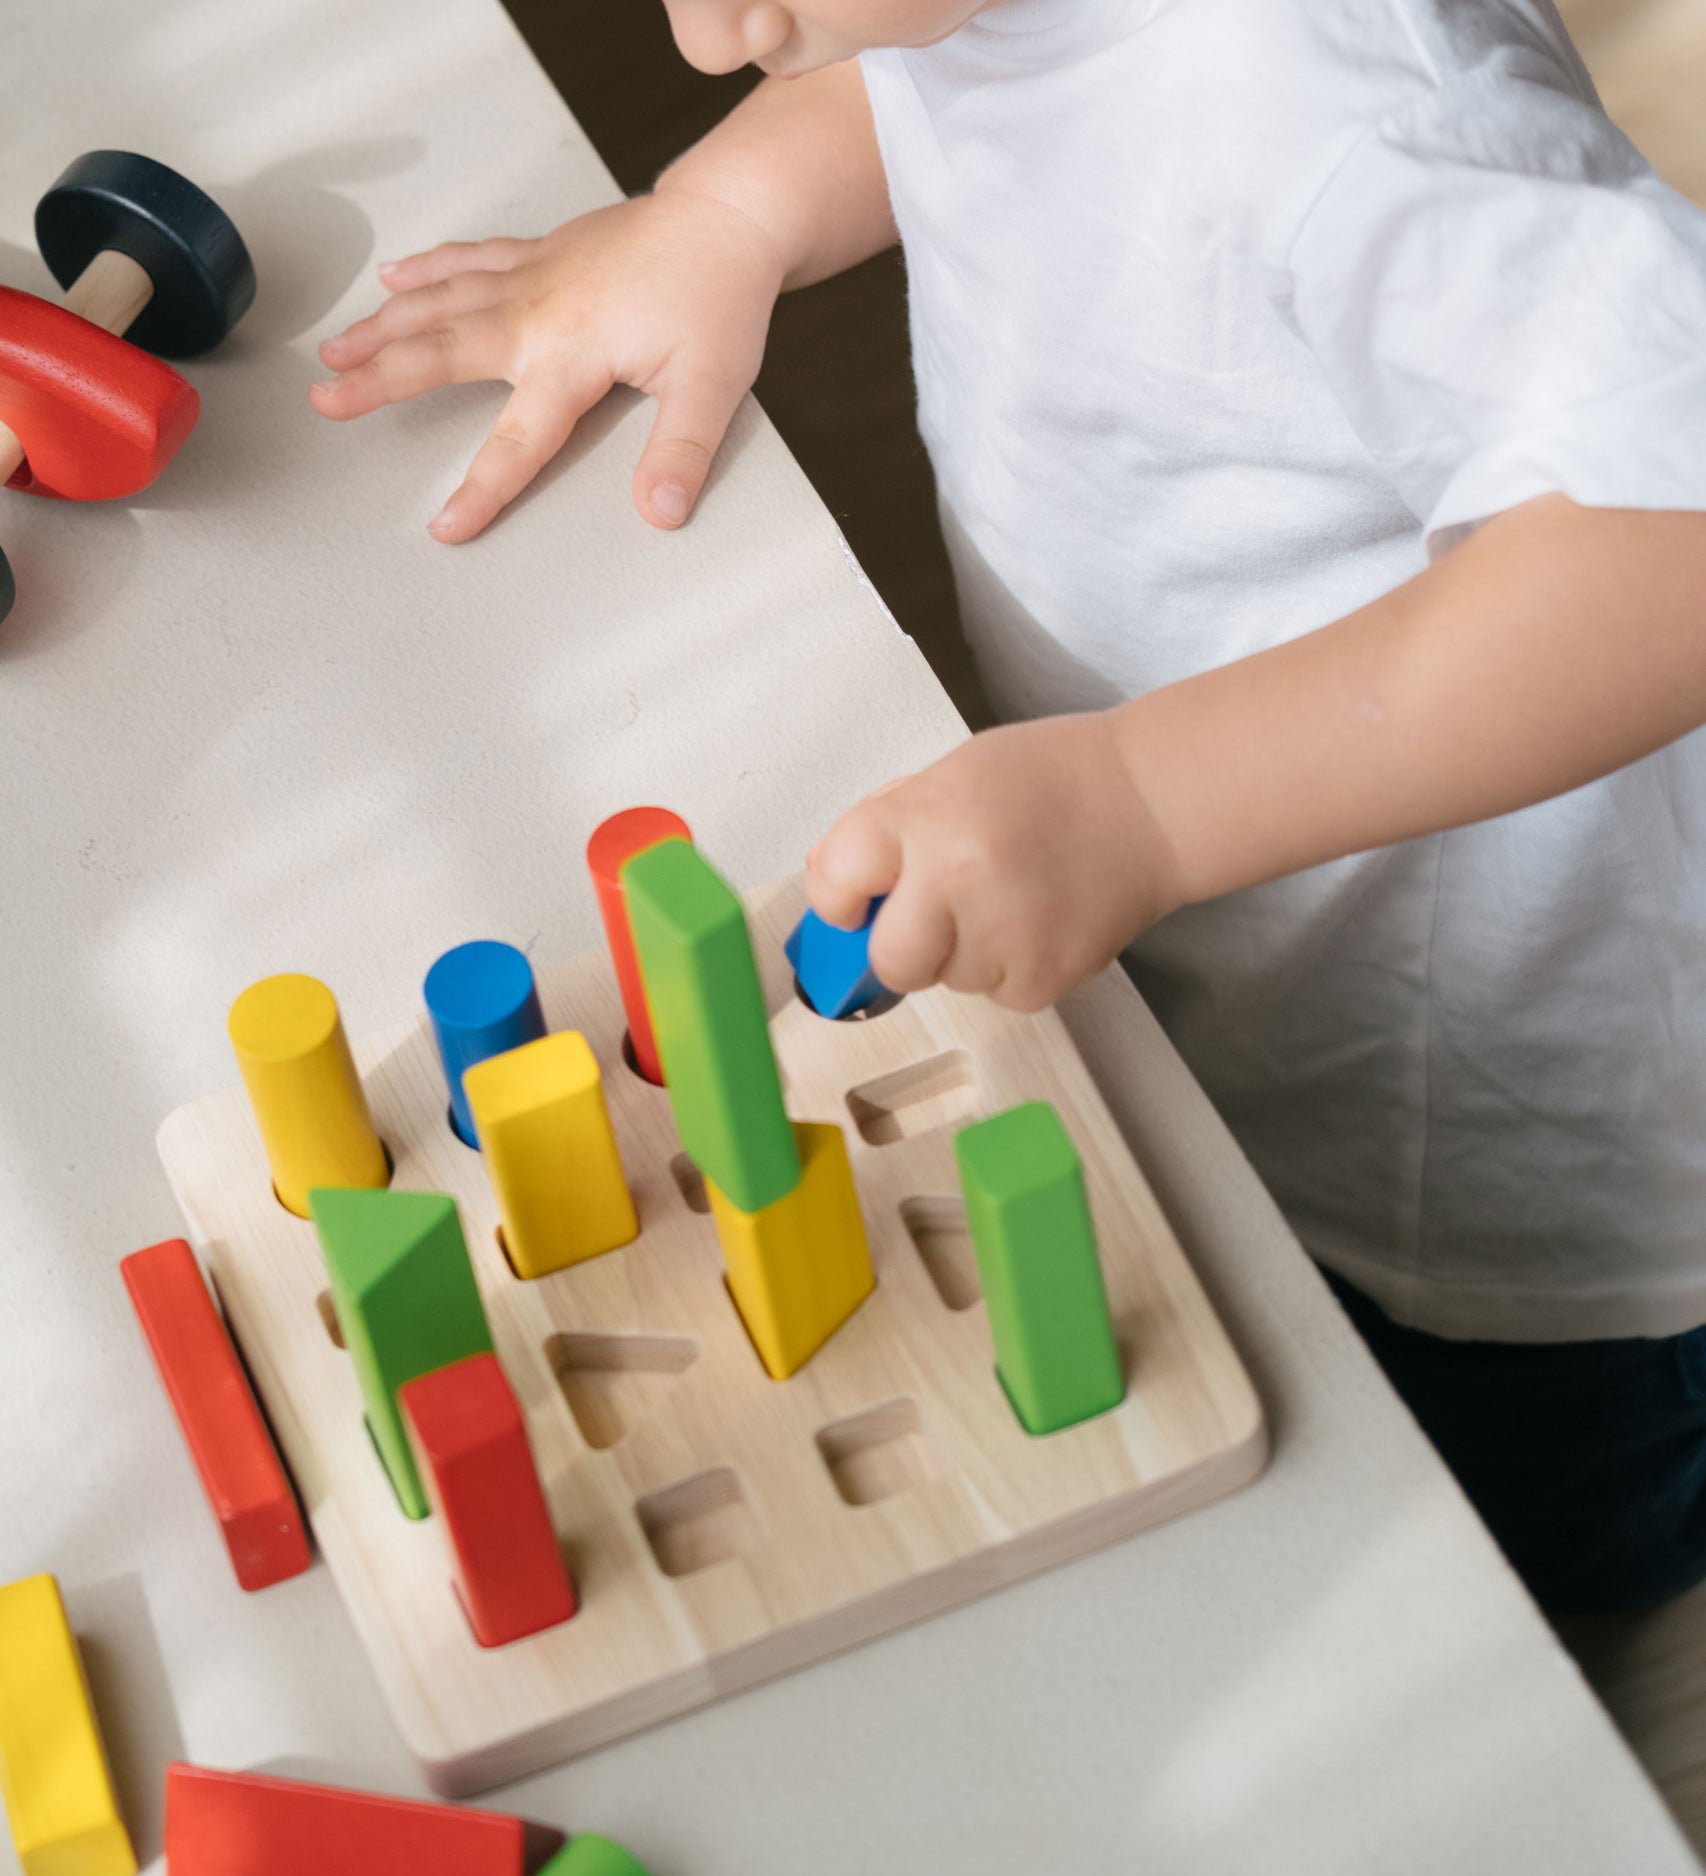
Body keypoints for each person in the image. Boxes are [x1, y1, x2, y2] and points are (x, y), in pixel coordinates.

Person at [311, 0, 1706, 1613]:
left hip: (1520, 1168)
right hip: (1243, 963)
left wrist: (1149, 801)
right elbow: (971, 83)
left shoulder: (1353, 85)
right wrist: (725, 214)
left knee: (1449, 1582)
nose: (713, 37)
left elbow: (1661, 542)